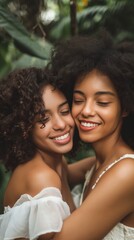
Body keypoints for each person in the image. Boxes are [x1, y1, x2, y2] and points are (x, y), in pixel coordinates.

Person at [49, 30, 134, 239]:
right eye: (78, 100)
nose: (86, 111)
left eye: (102, 102)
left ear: (124, 108)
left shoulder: (126, 173)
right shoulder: (97, 163)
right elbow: (56, 170)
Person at [0, 67, 94, 240]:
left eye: (64, 111)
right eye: (43, 119)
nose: (60, 124)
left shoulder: (53, 161)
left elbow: (73, 173)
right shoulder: (42, 178)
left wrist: (116, 157)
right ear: (24, 129)